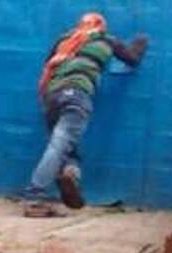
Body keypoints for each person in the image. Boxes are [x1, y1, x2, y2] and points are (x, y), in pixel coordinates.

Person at [23, 12, 148, 216]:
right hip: (77, 93)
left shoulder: (64, 40)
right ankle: (35, 198)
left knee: (65, 146)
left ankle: (70, 172)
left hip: (51, 96)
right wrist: (141, 41)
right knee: (59, 145)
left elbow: (49, 65)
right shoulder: (106, 40)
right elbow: (132, 59)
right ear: (101, 26)